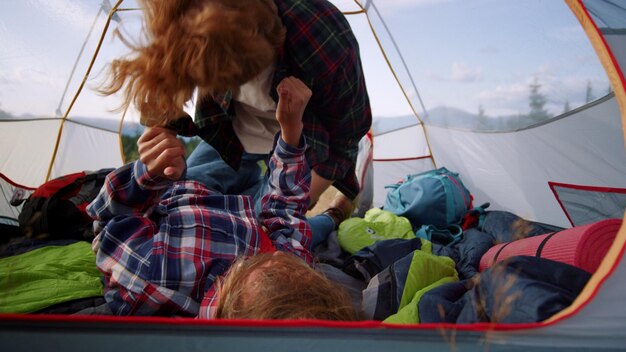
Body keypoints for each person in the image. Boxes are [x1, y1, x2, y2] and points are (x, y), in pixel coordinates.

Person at [88, 76, 356, 320]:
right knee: (303, 234)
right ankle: (333, 214)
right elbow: (284, 214)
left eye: (265, 264)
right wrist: (290, 133)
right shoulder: (294, 275)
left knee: (226, 143)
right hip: (251, 213)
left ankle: (332, 212)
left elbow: (108, 220)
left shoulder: (152, 276)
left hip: (188, 193)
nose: (280, 259)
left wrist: (148, 177)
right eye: (302, 271)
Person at [98, 0, 372, 212]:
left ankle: (334, 213)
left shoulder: (324, 36)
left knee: (266, 228)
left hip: (302, 140)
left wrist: (297, 199)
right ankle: (251, 187)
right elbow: (165, 81)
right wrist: (161, 136)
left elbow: (346, 140)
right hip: (230, 134)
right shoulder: (183, 21)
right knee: (178, 201)